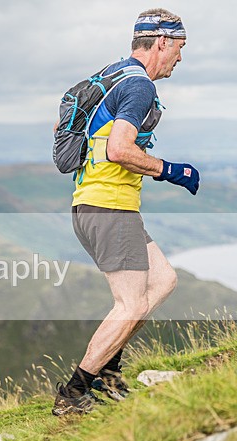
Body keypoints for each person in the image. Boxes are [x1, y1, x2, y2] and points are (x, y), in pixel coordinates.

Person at [53, 9, 200, 415]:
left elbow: (66, 130)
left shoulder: (113, 75)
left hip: (99, 204)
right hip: (108, 207)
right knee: (131, 304)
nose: (180, 59)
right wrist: (170, 170)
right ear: (162, 43)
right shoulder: (138, 87)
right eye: (180, 48)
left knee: (164, 281)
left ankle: (108, 372)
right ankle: (75, 392)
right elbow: (119, 150)